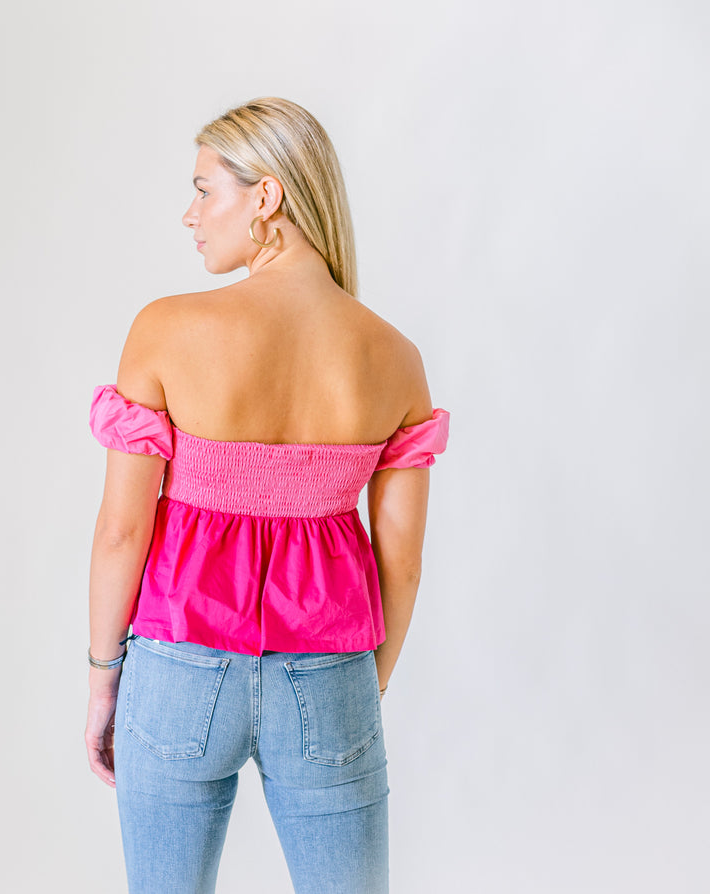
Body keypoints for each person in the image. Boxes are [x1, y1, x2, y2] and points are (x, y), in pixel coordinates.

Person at [85, 97, 449, 894]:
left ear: (266, 196)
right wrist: (364, 687)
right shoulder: (395, 357)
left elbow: (120, 532)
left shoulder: (165, 329)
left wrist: (104, 675)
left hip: (178, 668)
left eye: (203, 190)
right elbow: (403, 563)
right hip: (329, 671)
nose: (189, 215)